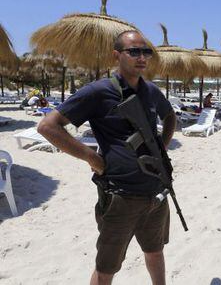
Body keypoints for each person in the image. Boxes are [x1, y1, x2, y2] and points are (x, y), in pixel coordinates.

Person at [38, 30, 177, 285]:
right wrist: (92, 157)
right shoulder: (98, 91)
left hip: (156, 191)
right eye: (133, 51)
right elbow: (48, 126)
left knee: (155, 251)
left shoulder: (151, 91)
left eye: (145, 51)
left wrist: (162, 147)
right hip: (120, 196)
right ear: (117, 55)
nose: (141, 57)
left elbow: (170, 116)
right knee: (107, 267)